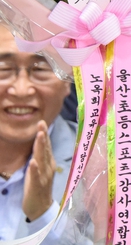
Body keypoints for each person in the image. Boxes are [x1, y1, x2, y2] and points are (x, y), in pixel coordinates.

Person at [0, 22, 76, 243]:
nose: (22, 90)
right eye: (3, 69)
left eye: (41, 69)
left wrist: (44, 213)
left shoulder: (100, 165)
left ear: (67, 82)